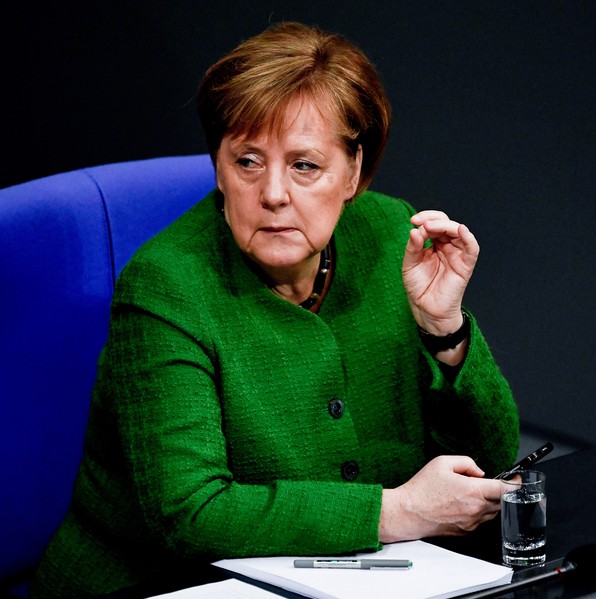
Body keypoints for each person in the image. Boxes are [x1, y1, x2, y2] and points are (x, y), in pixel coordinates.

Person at [31, 20, 519, 598]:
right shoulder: (165, 287)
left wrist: (445, 331)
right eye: (248, 161)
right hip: (157, 586)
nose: (273, 194)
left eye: (305, 165)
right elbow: (190, 511)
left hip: (348, 578)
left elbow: (490, 461)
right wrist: (399, 512)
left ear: (353, 172)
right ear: (218, 166)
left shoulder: (393, 236)